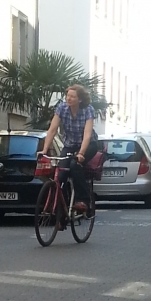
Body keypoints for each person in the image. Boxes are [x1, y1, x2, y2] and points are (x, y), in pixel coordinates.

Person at [42, 83, 96, 211]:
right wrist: (44, 150)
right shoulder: (62, 108)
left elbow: (87, 135)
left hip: (88, 145)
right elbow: (52, 129)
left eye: (72, 96)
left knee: (74, 165)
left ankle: (83, 201)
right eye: (68, 96)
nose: (68, 98)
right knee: (60, 174)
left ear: (80, 99)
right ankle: (63, 212)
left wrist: (81, 154)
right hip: (70, 144)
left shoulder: (88, 110)